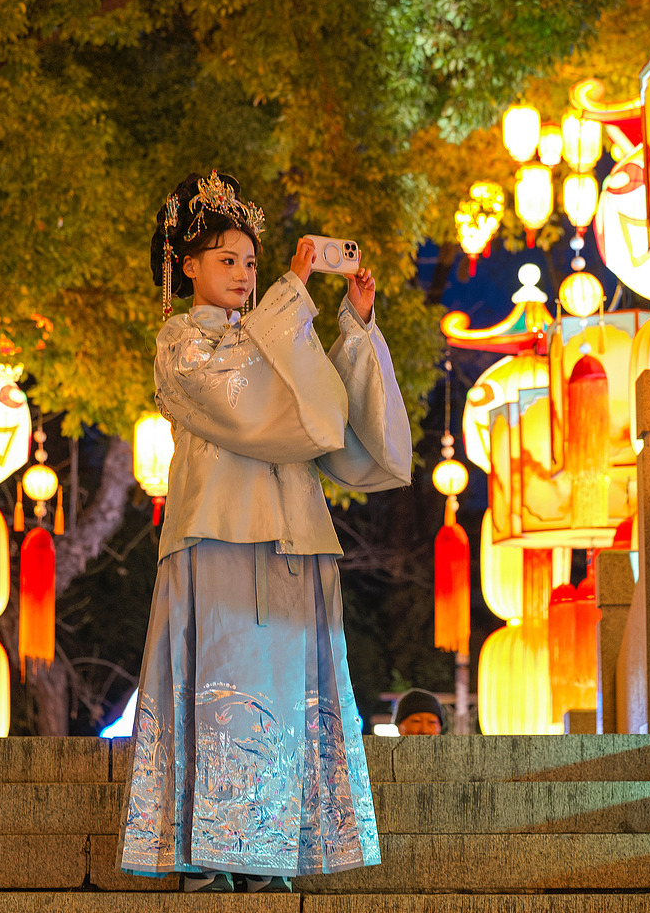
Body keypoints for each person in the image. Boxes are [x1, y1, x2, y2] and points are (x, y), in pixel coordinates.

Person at [119, 171, 411, 894]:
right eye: (227, 259)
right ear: (187, 265)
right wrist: (294, 294)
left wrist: (354, 328)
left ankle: (273, 849)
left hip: (291, 535)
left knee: (283, 695)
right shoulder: (181, 343)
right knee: (221, 691)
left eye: (251, 262)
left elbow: (326, 418)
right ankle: (206, 853)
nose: (244, 275)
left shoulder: (273, 332)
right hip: (217, 533)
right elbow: (247, 403)